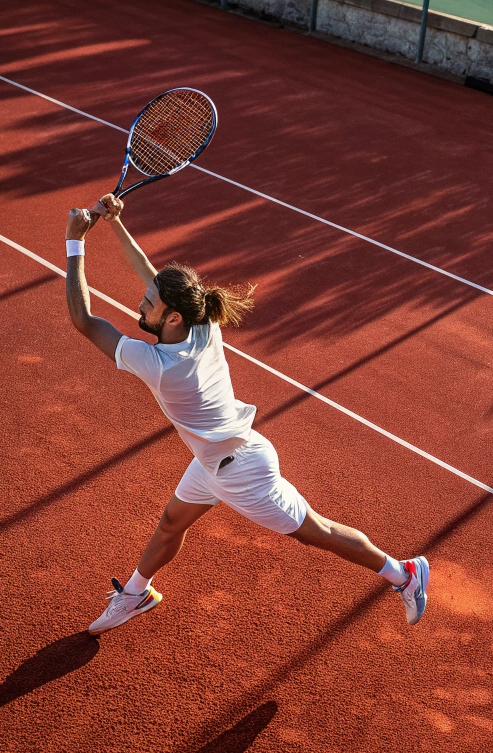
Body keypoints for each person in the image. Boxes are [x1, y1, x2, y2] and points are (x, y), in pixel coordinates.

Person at [63, 194, 429, 635]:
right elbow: (152, 274)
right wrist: (117, 224)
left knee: (319, 532)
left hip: (242, 473)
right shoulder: (201, 324)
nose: (140, 304)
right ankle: (137, 592)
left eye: (148, 302)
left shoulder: (160, 366)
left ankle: (403, 573)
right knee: (171, 523)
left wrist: (75, 244)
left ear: (173, 316)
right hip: (218, 459)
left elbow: (84, 321)